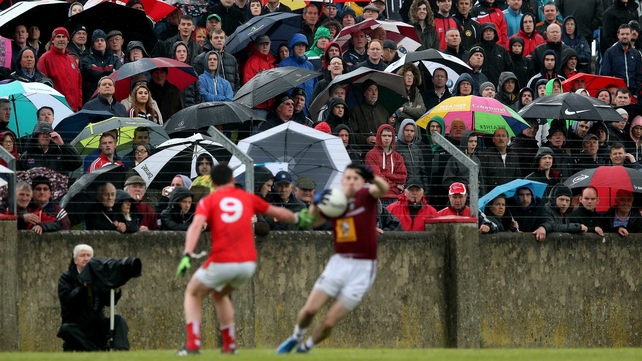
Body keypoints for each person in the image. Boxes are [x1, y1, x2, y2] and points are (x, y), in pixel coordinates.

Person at [177, 164, 306, 354]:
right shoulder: (247, 197)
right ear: (233, 180)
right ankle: (229, 345)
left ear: (212, 182)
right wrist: (303, 219)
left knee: (192, 293)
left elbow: (196, 226)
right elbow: (279, 213)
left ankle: (193, 345)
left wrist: (188, 253)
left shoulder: (209, 201)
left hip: (222, 260)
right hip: (247, 264)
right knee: (219, 294)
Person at [276, 163, 388, 354]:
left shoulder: (366, 197)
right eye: (349, 178)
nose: (352, 182)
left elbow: (383, 188)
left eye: (356, 178)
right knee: (309, 310)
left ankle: (306, 348)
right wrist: (316, 204)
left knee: (329, 321)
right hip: (339, 262)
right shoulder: (335, 200)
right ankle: (296, 336)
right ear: (343, 181)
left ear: (362, 182)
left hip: (363, 268)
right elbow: (315, 220)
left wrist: (373, 176)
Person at [57, 244, 130, 351]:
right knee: (66, 329)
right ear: (75, 260)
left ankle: (121, 352)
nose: (86, 259)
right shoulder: (66, 277)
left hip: (97, 322)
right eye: (82, 255)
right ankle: (97, 352)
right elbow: (68, 301)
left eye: (89, 256)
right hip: (76, 324)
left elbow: (108, 301)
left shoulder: (99, 276)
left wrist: (116, 288)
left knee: (119, 320)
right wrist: (84, 287)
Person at [37, 27, 82, 111]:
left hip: (74, 109)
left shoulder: (72, 60)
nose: (61, 39)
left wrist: (79, 104)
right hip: (56, 109)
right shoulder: (45, 58)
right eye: (58, 36)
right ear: (53, 40)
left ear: (68, 40)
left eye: (64, 37)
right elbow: (41, 86)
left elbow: (78, 84)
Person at [365, 124, 408, 207]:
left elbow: (403, 178)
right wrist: (395, 185)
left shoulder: (397, 157)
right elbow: (377, 179)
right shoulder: (371, 155)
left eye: (389, 136)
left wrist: (385, 174)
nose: (387, 138)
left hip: (395, 199)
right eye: (384, 135)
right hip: (378, 199)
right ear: (379, 137)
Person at [601, 24, 642, 99]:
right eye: (622, 34)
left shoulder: (636, 54)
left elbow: (639, 75)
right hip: (617, 93)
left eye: (627, 34)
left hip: (632, 93)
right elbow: (605, 74)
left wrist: (636, 93)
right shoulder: (610, 52)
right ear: (618, 35)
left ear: (630, 35)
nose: (625, 36)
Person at [81, 29, 122, 103]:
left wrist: (97, 69)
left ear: (106, 43)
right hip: (92, 97)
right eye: (97, 41)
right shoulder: (87, 58)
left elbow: (119, 74)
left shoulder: (114, 58)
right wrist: (110, 70)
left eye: (102, 40)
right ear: (93, 44)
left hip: (111, 97)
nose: (100, 42)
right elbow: (93, 73)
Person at [351, 79, 389, 151]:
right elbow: (353, 134)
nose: (374, 93)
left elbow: (390, 131)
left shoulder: (383, 110)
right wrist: (366, 139)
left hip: (383, 151)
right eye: (370, 90)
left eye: (376, 90)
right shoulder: (356, 111)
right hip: (365, 152)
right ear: (364, 93)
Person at [479, 127, 521, 192]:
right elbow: (482, 179)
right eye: (498, 136)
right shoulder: (485, 155)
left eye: (503, 136)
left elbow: (517, 178)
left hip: (510, 195)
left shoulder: (513, 156)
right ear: (493, 139)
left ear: (507, 139)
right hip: (491, 195)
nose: (501, 138)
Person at [443, 129, 484, 194]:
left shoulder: (476, 160)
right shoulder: (454, 159)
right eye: (470, 141)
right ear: (464, 142)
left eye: (475, 141)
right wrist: (466, 187)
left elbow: (481, 183)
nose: (473, 144)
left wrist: (482, 199)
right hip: (458, 198)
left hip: (475, 198)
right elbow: (447, 182)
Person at [396, 119, 427, 188]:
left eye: (412, 131)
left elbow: (423, 173)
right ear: (401, 131)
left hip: (417, 189)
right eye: (407, 130)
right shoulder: (395, 148)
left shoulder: (417, 150)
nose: (409, 133)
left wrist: (425, 190)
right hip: (402, 189)